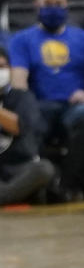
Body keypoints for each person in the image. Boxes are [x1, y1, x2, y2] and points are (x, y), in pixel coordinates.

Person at [9, 0, 84, 200]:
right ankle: (38, 183)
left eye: (58, 4)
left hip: (73, 106)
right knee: (28, 119)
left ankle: (68, 185)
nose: (53, 8)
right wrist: (28, 106)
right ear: (37, 6)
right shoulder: (22, 40)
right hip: (39, 106)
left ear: (67, 6)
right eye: (47, 4)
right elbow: (19, 82)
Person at [0, 48, 55, 206]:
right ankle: (11, 196)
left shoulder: (22, 97)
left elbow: (18, 127)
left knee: (44, 169)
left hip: (19, 165)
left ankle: (5, 196)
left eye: (2, 67)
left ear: (10, 70)